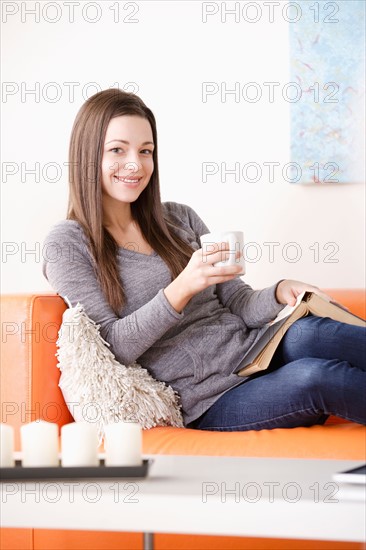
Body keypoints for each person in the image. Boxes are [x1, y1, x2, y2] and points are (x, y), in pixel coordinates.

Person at [42, 88, 366, 431]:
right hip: (210, 400)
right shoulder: (67, 243)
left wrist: (278, 291)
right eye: (117, 150)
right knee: (313, 377)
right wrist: (180, 288)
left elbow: (238, 301)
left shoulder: (180, 218)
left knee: (309, 334)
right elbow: (110, 348)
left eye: (146, 151)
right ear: (88, 156)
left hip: (254, 355)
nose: (136, 164)